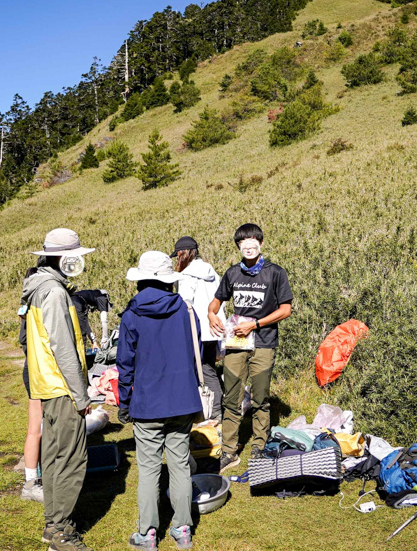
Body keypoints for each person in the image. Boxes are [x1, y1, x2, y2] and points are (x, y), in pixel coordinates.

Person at [117, 251, 203, 550]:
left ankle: (147, 534)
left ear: (140, 280)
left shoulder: (131, 315)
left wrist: (124, 402)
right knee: (180, 465)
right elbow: (197, 353)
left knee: (149, 469)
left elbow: (124, 364)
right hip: (182, 400)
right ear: (169, 281)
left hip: (147, 403)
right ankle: (183, 530)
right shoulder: (187, 311)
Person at [21, 228, 95, 551]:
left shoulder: (39, 287)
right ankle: (63, 533)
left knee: (52, 459)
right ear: (62, 259)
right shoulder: (53, 292)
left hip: (47, 386)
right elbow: (63, 348)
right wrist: (81, 396)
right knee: (71, 460)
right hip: (62, 388)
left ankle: (52, 524)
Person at [208, 223, 293, 473]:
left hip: (264, 343)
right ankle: (229, 452)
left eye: (253, 239)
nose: (248, 244)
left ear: (261, 243)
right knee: (231, 398)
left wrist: (254, 324)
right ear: (238, 246)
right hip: (236, 344)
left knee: (260, 398)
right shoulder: (232, 273)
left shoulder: (275, 273)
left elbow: (285, 310)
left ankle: (259, 446)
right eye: (242, 241)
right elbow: (215, 303)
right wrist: (211, 314)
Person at [172, 236, 225, 422]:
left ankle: (213, 411)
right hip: (214, 326)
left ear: (183, 254)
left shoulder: (186, 275)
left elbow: (185, 303)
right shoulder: (212, 272)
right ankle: (213, 408)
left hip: (196, 330)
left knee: (202, 370)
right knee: (209, 368)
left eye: (177, 256)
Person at [18, 267, 44, 503]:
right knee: (36, 429)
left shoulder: (26, 308)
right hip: (38, 372)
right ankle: (31, 482)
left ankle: (34, 476)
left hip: (34, 369)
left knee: (37, 428)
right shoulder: (37, 310)